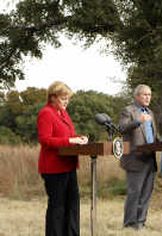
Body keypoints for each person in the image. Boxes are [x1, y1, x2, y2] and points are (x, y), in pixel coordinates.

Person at [37, 81, 88, 236]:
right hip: (53, 168)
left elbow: (68, 136)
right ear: (52, 97)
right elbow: (45, 139)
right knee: (57, 207)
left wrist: (79, 138)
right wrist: (70, 141)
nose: (67, 101)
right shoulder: (46, 113)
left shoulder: (63, 113)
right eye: (63, 98)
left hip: (69, 165)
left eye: (68, 98)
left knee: (72, 204)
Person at [119, 84, 157, 230]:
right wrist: (138, 121)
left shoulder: (151, 113)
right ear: (137, 96)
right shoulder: (128, 111)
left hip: (150, 158)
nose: (148, 97)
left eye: (149, 95)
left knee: (146, 193)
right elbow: (122, 128)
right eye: (145, 94)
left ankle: (140, 222)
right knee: (134, 192)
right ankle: (129, 223)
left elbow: (153, 136)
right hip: (135, 158)